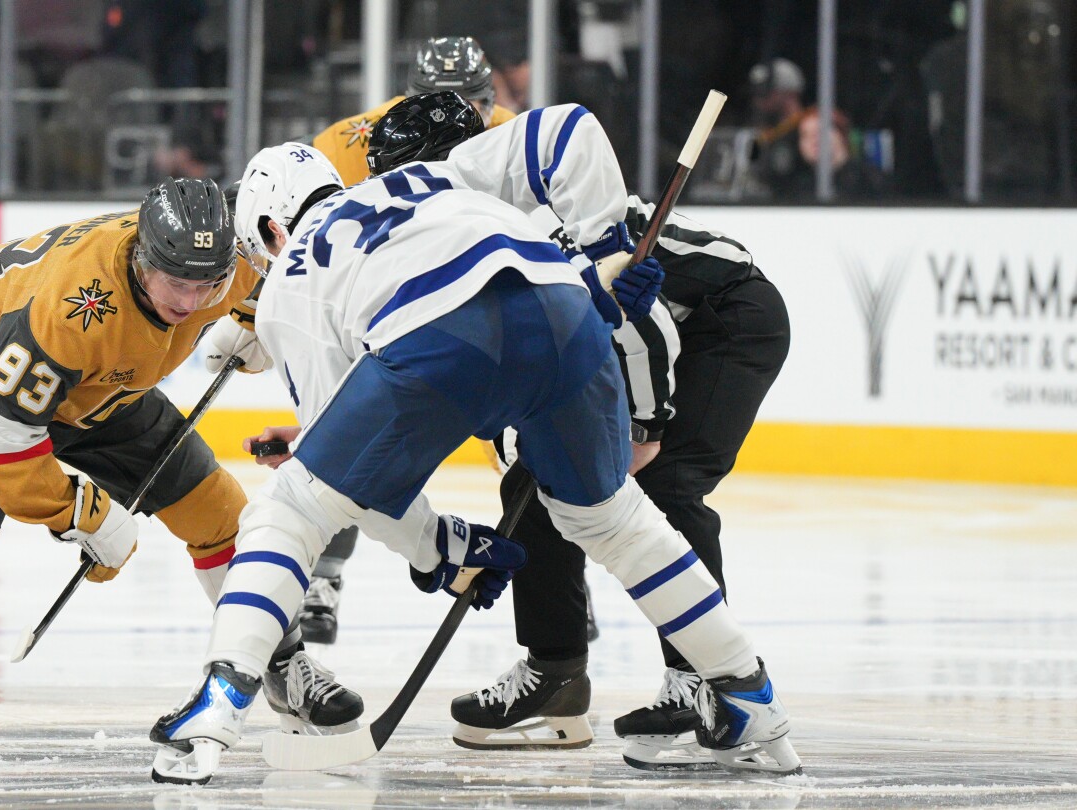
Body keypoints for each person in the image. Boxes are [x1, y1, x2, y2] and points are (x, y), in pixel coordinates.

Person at [149, 96, 801, 784]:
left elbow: (353, 493)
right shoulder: (436, 176)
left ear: (273, 230)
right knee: (616, 523)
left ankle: (220, 703)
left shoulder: (291, 281)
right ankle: (747, 693)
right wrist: (605, 250)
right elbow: (570, 127)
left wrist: (439, 547)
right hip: (564, 308)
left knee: (288, 513)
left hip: (438, 330)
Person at [0, 178, 361, 764]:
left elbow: (268, 269)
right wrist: (79, 512)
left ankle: (281, 665)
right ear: (143, 256)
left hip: (106, 389)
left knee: (222, 514)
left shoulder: (225, 255)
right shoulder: (71, 305)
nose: (189, 302)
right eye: (177, 284)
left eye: (207, 285)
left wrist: (252, 314)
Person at [366, 101, 790, 764]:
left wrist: (645, 426)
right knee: (532, 486)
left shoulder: (527, 222)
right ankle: (556, 672)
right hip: (647, 339)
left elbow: (640, 326)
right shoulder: (460, 233)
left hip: (724, 319)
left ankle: (706, 680)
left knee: (671, 485)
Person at [301, 40, 600, 646]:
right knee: (337, 440)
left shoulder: (509, 134)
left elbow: (545, 231)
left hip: (481, 309)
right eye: (449, 102)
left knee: (525, 452)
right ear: (414, 98)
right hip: (379, 314)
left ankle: (561, 582)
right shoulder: (347, 143)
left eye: (477, 101)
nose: (466, 115)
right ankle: (322, 579)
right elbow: (308, 245)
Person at [311, 35, 519, 188]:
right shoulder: (352, 140)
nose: (447, 124)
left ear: (488, 104)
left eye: (463, 108)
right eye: (436, 109)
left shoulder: (510, 132)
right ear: (410, 102)